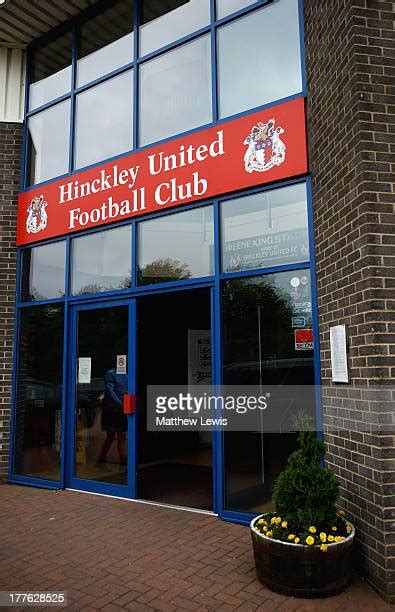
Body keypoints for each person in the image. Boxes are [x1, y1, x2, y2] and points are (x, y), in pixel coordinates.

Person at [98, 368, 128, 466]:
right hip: (111, 409)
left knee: (122, 435)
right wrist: (120, 403)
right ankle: (102, 458)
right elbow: (109, 391)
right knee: (111, 436)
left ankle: (122, 460)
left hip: (121, 408)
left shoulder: (128, 373)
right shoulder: (111, 373)